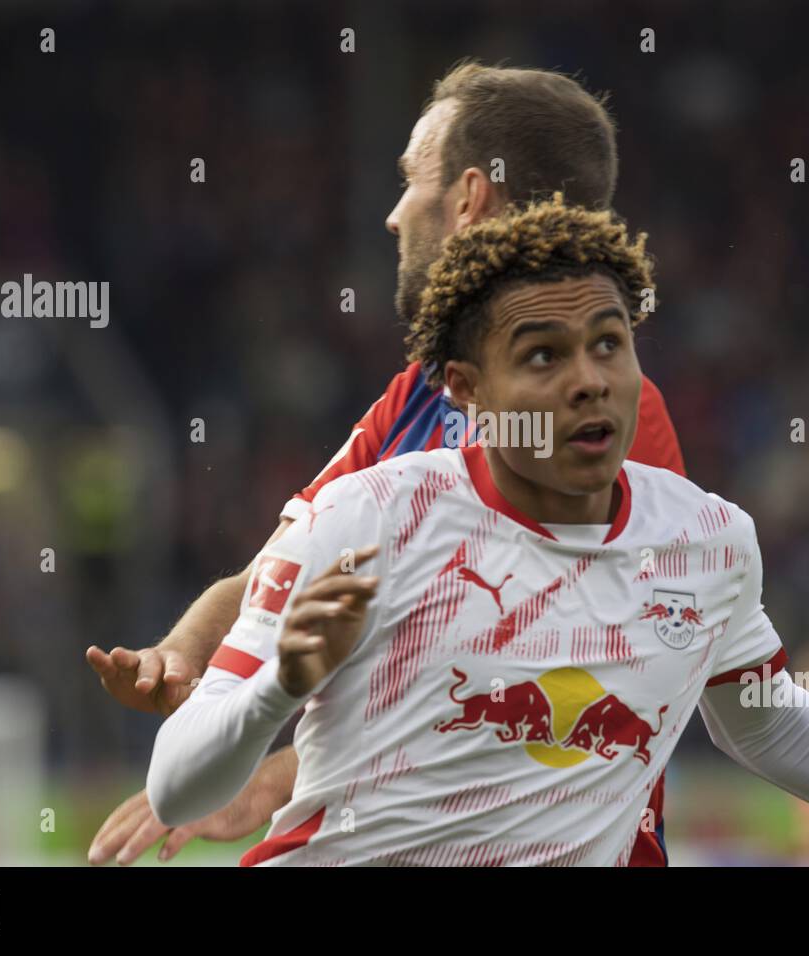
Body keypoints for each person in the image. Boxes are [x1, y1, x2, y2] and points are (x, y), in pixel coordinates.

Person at [145, 195, 809, 867]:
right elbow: (177, 783)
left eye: (608, 344)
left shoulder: (707, 540)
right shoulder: (361, 519)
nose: (588, 378)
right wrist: (280, 683)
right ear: (466, 390)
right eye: (540, 354)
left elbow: (766, 715)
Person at [87, 61, 681, 866]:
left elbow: (527, 698)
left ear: (470, 197)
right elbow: (275, 570)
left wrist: (270, 776)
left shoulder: (607, 426)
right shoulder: (419, 396)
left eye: (412, 179)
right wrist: (185, 656)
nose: (395, 215)